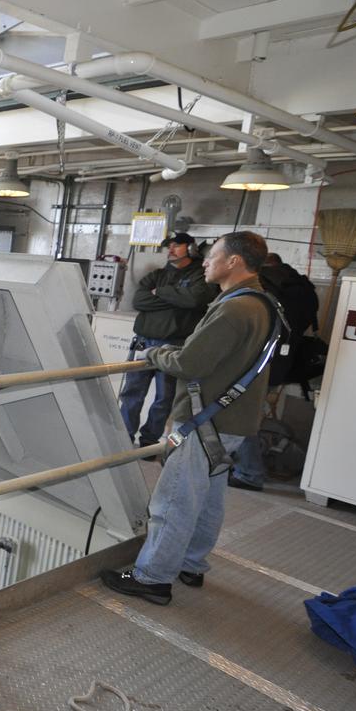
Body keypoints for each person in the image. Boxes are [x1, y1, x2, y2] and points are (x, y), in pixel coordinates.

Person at [101, 231, 276, 605]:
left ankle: (152, 577)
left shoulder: (233, 309)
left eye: (214, 256)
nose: (207, 262)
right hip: (229, 420)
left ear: (234, 262)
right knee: (209, 497)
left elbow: (189, 363)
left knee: (174, 501)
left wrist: (155, 354)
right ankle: (191, 563)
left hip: (205, 420)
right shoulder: (261, 303)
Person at [227, 252, 321, 491]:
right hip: (283, 363)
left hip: (253, 361)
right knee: (250, 416)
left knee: (240, 416)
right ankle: (243, 466)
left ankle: (249, 472)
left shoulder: (261, 285)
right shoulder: (303, 287)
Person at [117, 232, 215, 447]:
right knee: (132, 392)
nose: (170, 250)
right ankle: (123, 440)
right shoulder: (157, 274)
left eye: (176, 245)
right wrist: (175, 298)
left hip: (175, 345)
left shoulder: (201, 275)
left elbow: (195, 299)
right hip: (144, 340)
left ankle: (149, 442)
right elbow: (139, 301)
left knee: (164, 398)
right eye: (169, 246)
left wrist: (159, 293)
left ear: (190, 248)